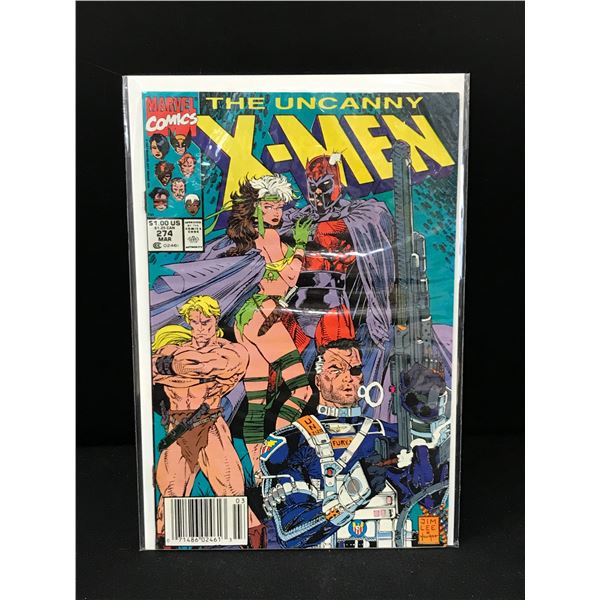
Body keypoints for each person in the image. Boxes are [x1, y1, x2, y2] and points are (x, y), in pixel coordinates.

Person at [260, 339, 448, 549]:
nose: (348, 377)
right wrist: (350, 496)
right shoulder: (291, 442)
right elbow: (290, 533)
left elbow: (432, 500)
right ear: (318, 380)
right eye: (335, 369)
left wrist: (429, 406)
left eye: (355, 370)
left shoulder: (390, 435)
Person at [152, 295, 264, 547]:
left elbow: (212, 366)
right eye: (194, 322)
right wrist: (193, 372)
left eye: (205, 322)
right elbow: (153, 368)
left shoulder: (232, 351)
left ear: (215, 320)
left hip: (210, 426)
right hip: (177, 430)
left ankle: (259, 554)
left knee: (233, 496)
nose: (200, 328)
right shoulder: (173, 348)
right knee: (168, 501)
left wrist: (176, 370)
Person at [226, 175, 313, 471]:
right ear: (256, 207)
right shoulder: (269, 238)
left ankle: (258, 469)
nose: (276, 213)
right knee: (301, 390)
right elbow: (288, 279)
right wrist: (299, 246)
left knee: (257, 402)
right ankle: (277, 456)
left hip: (246, 321)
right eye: (269, 206)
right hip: (264, 316)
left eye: (279, 207)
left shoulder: (249, 238)